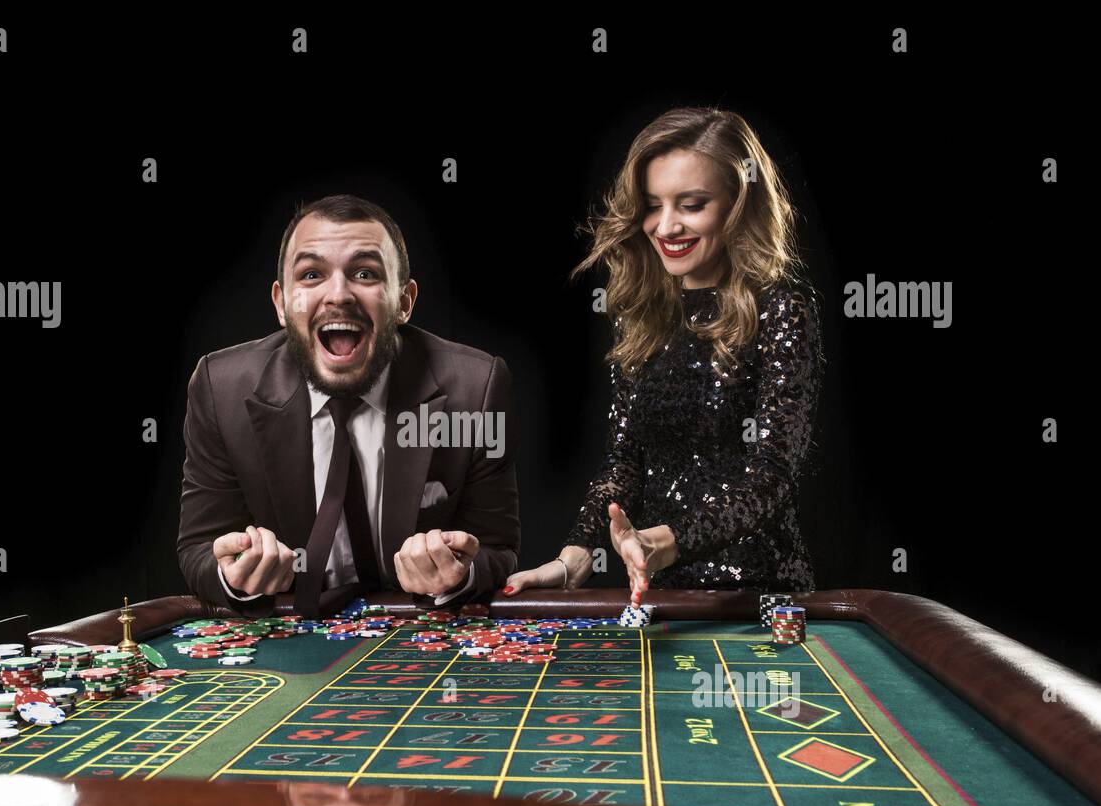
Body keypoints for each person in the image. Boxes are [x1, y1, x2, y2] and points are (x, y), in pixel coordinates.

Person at [506, 107, 824, 602]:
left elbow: (771, 477)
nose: (666, 226)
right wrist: (574, 559)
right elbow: (624, 461)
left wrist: (665, 541)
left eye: (691, 204)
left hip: (758, 594)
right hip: (660, 594)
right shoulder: (648, 314)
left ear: (739, 204)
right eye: (653, 205)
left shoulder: (783, 311)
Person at [177, 195, 519, 616]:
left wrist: (459, 573)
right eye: (311, 274)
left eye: (364, 273)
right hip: (290, 647)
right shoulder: (220, 388)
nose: (338, 294)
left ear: (404, 301)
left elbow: (499, 548)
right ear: (281, 304)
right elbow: (198, 548)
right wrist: (234, 578)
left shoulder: (476, 388)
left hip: (413, 642)